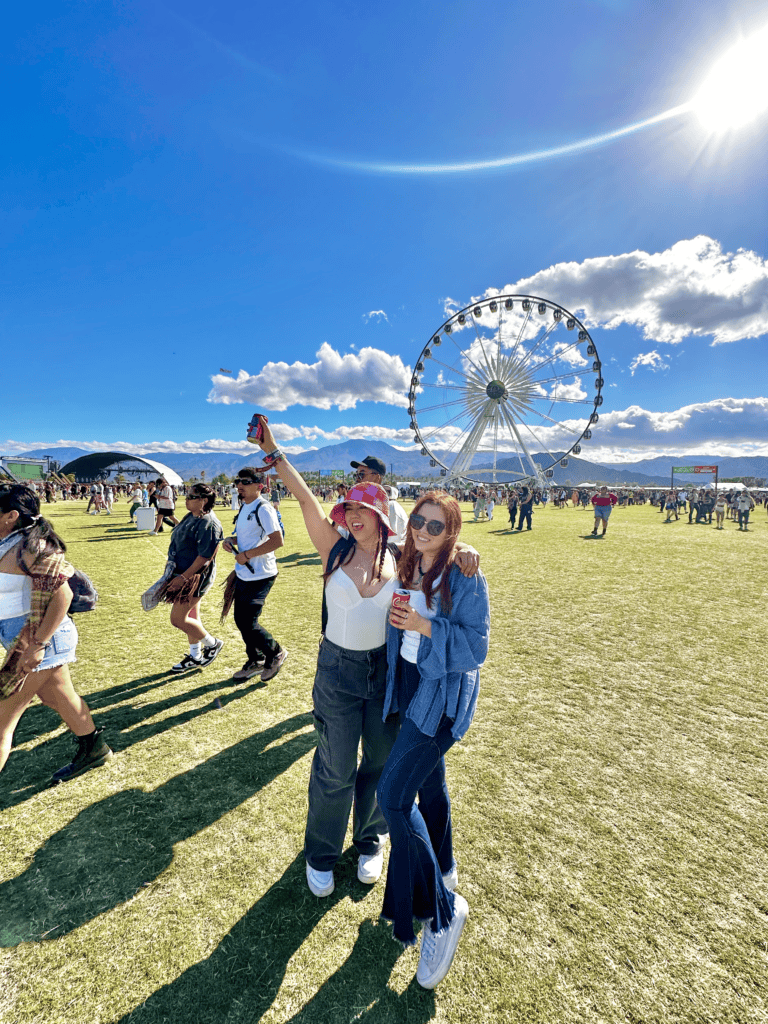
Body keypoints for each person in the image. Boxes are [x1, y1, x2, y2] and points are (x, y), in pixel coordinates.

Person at [250, 417, 480, 900]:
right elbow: (303, 501)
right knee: (334, 766)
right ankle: (322, 853)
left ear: (381, 516)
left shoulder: (404, 558)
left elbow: (442, 544)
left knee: (377, 759)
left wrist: (465, 550)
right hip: (336, 670)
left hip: (386, 672)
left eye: (363, 509)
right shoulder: (332, 549)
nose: (353, 515)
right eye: (348, 508)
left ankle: (370, 839)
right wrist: (276, 452)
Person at [380, 491, 490, 989]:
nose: (422, 530)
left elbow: (475, 647)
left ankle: (443, 914)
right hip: (407, 683)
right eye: (417, 522)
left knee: (393, 799)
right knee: (430, 788)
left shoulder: (464, 574)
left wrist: (425, 624)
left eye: (435, 526)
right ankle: (443, 870)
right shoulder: (408, 563)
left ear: (453, 533)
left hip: (438, 696)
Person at [0, 484, 113, 782]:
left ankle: (94, 748)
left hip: (40, 640)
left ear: (10, 516)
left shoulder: (34, 547)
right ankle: (94, 748)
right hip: (19, 638)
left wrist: (37, 645)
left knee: (2, 719)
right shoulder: (5, 541)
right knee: (58, 697)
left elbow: (62, 596)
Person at [221, 468, 287, 682]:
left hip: (261, 574)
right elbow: (248, 536)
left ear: (259, 486)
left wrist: (247, 554)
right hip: (245, 574)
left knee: (247, 621)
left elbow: (277, 540)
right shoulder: (245, 506)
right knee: (241, 620)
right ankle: (256, 660)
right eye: (238, 481)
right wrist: (233, 541)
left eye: (245, 481)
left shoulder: (263, 508)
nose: (239, 485)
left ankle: (275, 652)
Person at [159, 483, 225, 672]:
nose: (186, 499)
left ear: (203, 500)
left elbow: (204, 557)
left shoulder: (209, 523)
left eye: (191, 497)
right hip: (183, 573)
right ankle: (195, 656)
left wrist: (184, 578)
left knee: (178, 619)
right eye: (187, 496)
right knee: (192, 616)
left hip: (195, 578)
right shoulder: (192, 516)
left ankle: (212, 644)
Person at [350, 456, 409, 543]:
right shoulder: (357, 504)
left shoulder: (391, 508)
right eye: (356, 474)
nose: (357, 479)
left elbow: (391, 548)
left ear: (377, 478)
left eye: (362, 474)